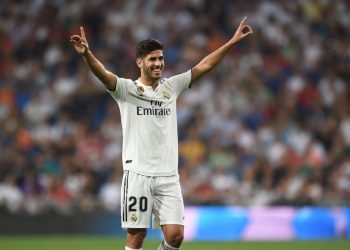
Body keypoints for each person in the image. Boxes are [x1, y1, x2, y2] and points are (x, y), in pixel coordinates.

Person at [70, 16, 252, 250]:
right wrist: (86, 54)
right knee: (137, 237)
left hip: (168, 176)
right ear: (140, 63)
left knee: (175, 236)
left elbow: (204, 65)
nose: (158, 63)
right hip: (138, 174)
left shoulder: (171, 87)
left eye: (161, 59)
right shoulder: (126, 90)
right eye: (152, 59)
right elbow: (103, 74)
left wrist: (232, 42)